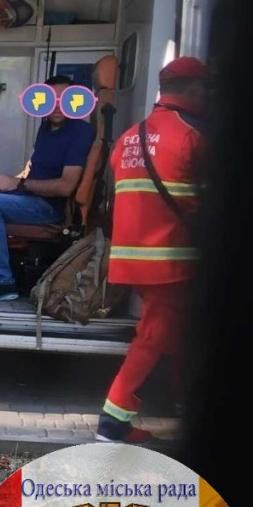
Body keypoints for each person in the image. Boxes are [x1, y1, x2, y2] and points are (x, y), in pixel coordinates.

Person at [96, 56, 210, 444]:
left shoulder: (130, 136)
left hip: (131, 258)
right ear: (195, 90)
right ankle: (112, 422)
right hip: (172, 259)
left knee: (176, 332)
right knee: (154, 336)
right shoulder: (194, 136)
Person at [0, 74, 96, 301]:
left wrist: (19, 184)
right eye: (51, 99)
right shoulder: (45, 129)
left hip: (51, 208)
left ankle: (2, 283)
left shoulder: (80, 132)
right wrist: (11, 183)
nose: (57, 105)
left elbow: (66, 186)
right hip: (30, 197)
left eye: (64, 99)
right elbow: (35, 170)